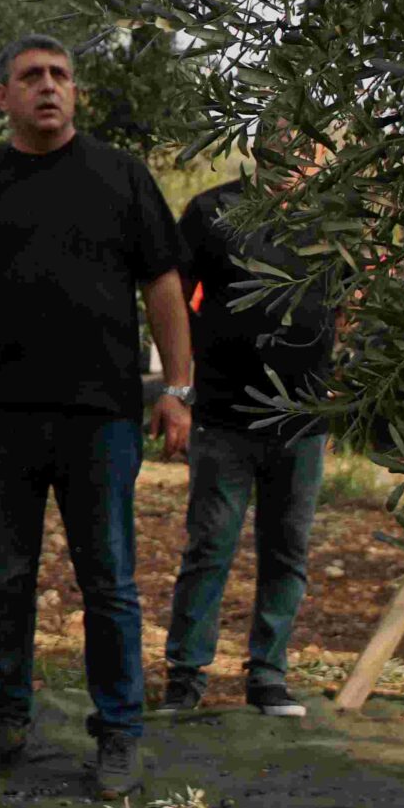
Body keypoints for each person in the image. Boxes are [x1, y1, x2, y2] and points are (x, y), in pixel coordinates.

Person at [0, 34, 192, 799]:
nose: (49, 87)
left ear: (76, 92)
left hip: (101, 418)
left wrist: (179, 388)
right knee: (4, 581)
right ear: (2, 96)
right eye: (31, 76)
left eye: (61, 75)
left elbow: (164, 285)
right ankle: (3, 718)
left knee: (111, 582)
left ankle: (120, 734)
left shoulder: (121, 178)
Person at [158, 168, 338, 717]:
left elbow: (350, 306)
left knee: (287, 550)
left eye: (307, 139)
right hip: (224, 415)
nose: (295, 148)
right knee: (209, 548)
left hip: (303, 422)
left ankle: (268, 677)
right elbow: (171, 299)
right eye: (282, 129)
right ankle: (186, 678)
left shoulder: (335, 220)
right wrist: (176, 390)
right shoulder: (212, 211)